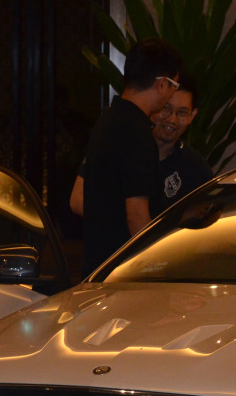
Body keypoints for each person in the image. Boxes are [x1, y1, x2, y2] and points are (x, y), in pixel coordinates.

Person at [78, 38, 182, 274]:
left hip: (98, 264)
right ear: (162, 84)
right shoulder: (136, 132)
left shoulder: (108, 120)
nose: (172, 93)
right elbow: (136, 215)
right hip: (121, 271)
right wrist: (156, 267)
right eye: (174, 85)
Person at [70, 73, 213, 221]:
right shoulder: (116, 145)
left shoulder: (195, 166)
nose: (172, 119)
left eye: (182, 112)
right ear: (154, 105)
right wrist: (136, 219)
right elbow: (77, 201)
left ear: (192, 115)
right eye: (166, 109)